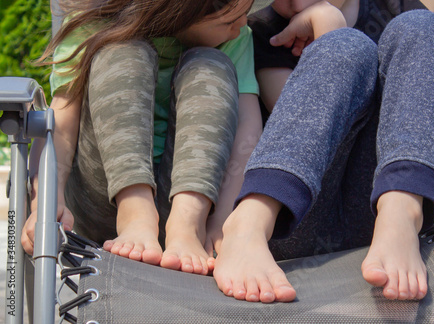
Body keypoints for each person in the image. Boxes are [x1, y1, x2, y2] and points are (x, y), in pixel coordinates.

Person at [213, 0, 434, 303]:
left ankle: (402, 214)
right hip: (295, 217)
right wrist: (328, 25)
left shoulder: (395, 7)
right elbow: (302, 119)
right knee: (346, 45)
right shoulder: (268, 30)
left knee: (426, 28)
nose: (293, 3)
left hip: (378, 211)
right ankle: (249, 224)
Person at [21, 0, 261, 276]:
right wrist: (46, 204)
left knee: (212, 64)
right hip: (102, 196)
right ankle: (135, 213)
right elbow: (58, 125)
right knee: (121, 50)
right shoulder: (94, 22)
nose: (243, 24)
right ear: (181, 12)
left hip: (195, 204)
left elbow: (247, 130)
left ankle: (187, 225)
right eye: (229, 21)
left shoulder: (236, 38)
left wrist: (223, 222)